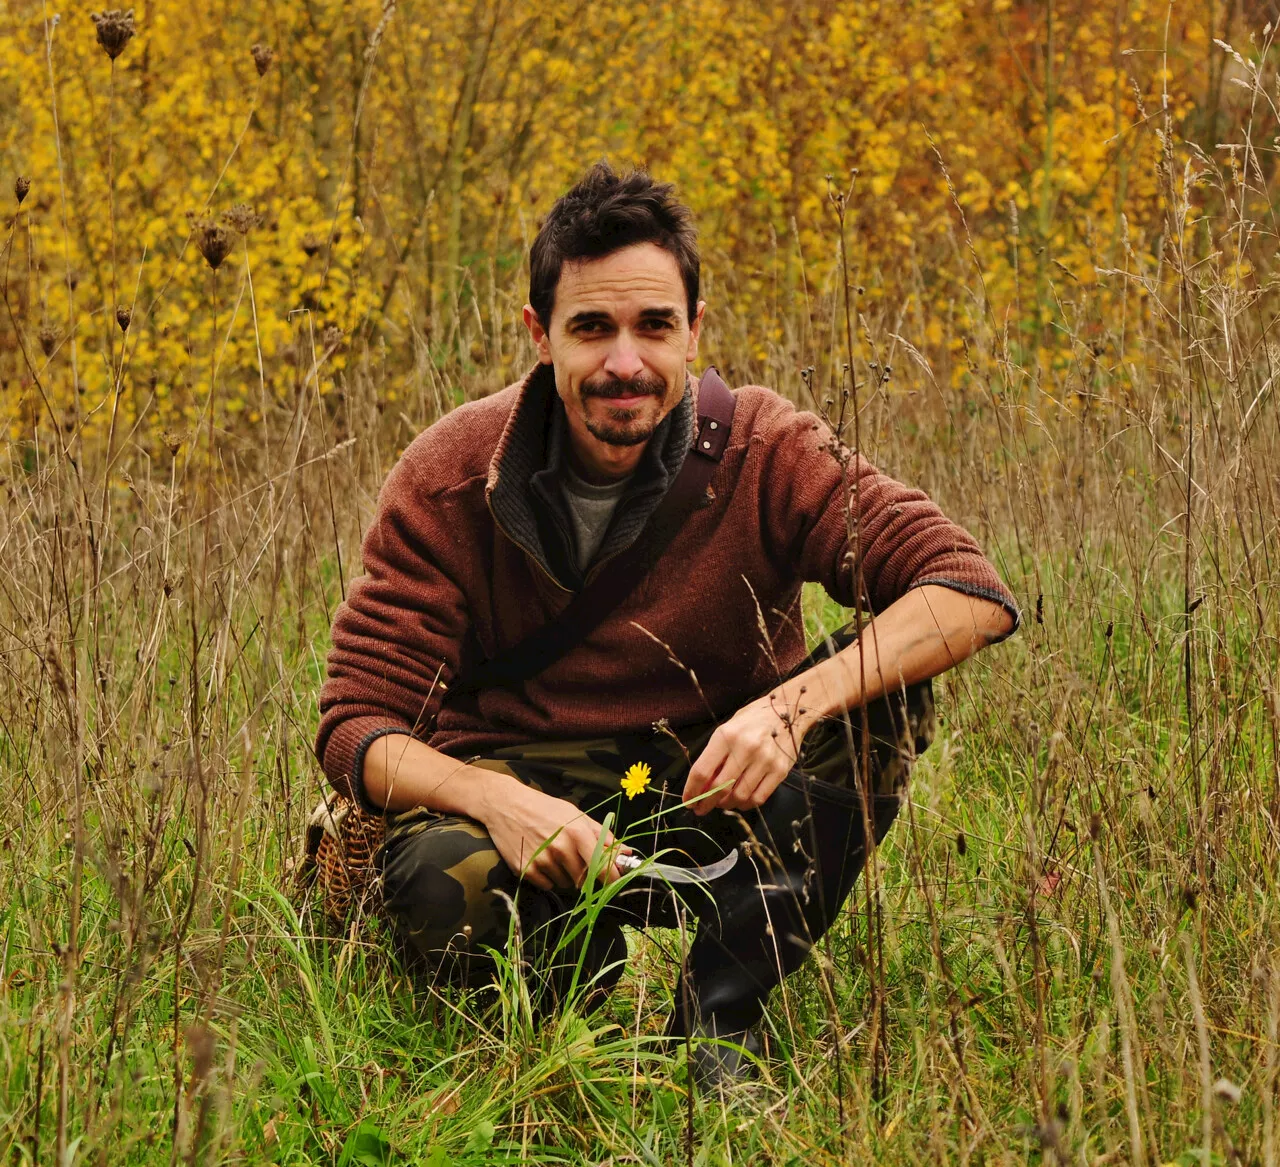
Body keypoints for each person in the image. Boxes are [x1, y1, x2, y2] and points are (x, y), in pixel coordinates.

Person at [312, 161, 1018, 1086]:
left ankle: (720, 1022)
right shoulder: (450, 474)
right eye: (591, 328)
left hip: (710, 773)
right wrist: (495, 801)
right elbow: (355, 726)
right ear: (539, 335)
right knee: (446, 879)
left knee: (881, 694)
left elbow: (965, 585)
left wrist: (789, 709)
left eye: (654, 326)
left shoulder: (768, 447)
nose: (624, 363)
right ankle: (558, 1001)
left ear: (695, 331)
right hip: (522, 781)